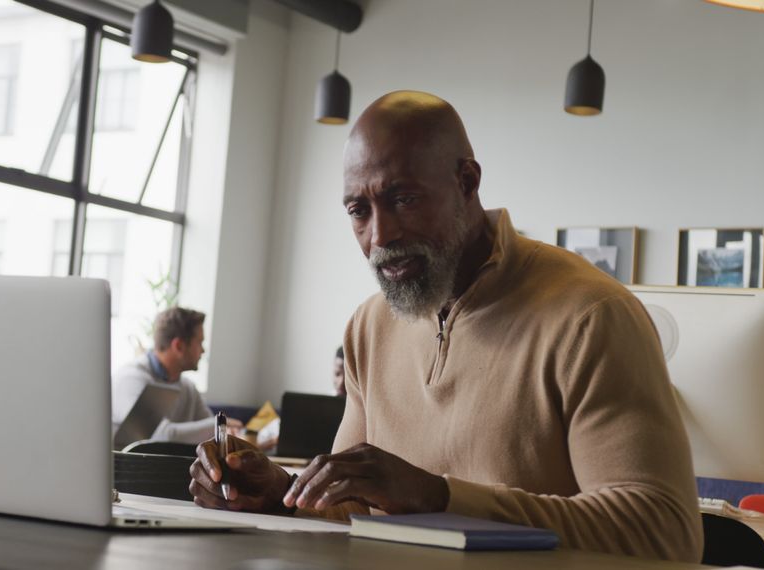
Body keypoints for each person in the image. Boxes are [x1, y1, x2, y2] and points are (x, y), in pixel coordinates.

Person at [188, 91, 702, 562]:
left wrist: (440, 497)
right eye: (358, 210)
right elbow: (352, 507)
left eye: (402, 199)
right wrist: (281, 494)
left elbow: (665, 533)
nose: (380, 237)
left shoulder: (591, 315)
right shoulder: (369, 325)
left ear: (467, 183)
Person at [111, 307, 241, 444]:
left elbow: (211, 436)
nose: (203, 350)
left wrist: (224, 431)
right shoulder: (131, 379)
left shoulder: (188, 388)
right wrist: (218, 425)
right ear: (178, 346)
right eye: (200, 342)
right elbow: (158, 435)